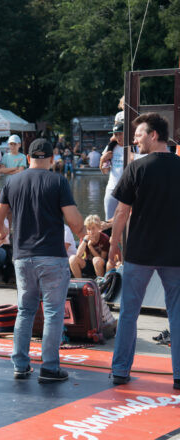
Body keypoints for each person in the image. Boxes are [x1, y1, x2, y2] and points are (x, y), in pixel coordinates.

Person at [0, 138, 85, 382]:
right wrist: (84, 233)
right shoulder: (58, 181)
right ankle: (50, 368)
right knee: (54, 312)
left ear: (27, 156)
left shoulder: (13, 181)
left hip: (22, 256)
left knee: (25, 310)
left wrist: (4, 233)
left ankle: (20, 365)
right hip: (51, 256)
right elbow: (74, 221)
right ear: (52, 158)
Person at [109, 113, 180, 390]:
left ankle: (120, 371)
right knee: (177, 313)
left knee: (128, 312)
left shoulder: (137, 168)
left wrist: (113, 244)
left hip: (139, 252)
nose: (135, 139)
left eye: (139, 134)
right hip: (175, 253)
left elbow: (121, 211)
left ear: (154, 135)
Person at [99, 122, 124, 220]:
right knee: (109, 220)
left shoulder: (135, 147)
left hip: (129, 189)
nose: (118, 137)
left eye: (120, 134)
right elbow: (105, 171)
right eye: (116, 134)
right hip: (112, 189)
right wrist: (102, 160)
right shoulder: (111, 147)